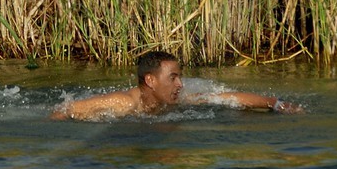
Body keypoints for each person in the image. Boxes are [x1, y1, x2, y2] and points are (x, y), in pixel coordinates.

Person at [53, 49, 303, 120]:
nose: (180, 84)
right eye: (173, 77)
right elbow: (65, 110)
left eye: (180, 76)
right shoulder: (123, 103)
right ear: (150, 80)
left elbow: (228, 97)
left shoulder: (174, 101)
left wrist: (274, 103)